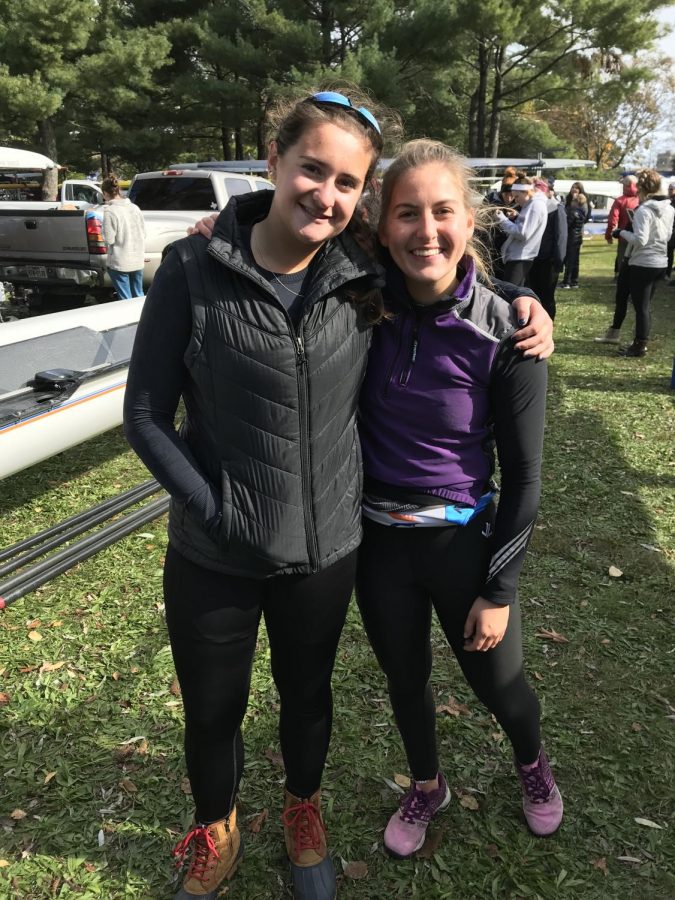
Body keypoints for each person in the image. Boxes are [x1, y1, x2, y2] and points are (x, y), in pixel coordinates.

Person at [125, 89, 554, 900]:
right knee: (213, 712)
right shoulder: (194, 266)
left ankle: (302, 815)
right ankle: (213, 833)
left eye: (345, 181)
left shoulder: (362, 277)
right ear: (272, 164)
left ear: (360, 199)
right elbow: (145, 416)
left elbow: (447, 276)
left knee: (306, 698)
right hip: (214, 552)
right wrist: (216, 515)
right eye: (309, 170)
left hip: (326, 548)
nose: (325, 193)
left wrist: (526, 307)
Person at [354, 139, 562, 859]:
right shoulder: (361, 301)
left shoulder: (509, 330)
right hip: (378, 547)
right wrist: (219, 225)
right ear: (382, 228)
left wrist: (498, 588)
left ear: (468, 220)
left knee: (501, 689)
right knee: (404, 681)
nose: (425, 230)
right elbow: (292, 224)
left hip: (463, 549)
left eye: (442, 211)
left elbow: (526, 477)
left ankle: (532, 767)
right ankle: (426, 782)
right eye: (405, 213)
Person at [613, 169, 674, 357]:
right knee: (645, 305)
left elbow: (641, 239)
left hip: (643, 262)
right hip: (661, 261)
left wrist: (621, 232)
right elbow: (668, 235)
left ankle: (640, 345)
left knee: (641, 307)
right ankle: (640, 342)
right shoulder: (670, 208)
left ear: (641, 189)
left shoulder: (644, 210)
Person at [494, 175, 548, 286]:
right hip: (519, 256)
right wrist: (517, 217)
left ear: (526, 192)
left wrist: (502, 219)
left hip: (520, 257)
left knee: (509, 294)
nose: (516, 200)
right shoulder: (532, 204)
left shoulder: (534, 205)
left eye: (517, 196)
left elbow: (523, 233)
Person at [527, 178, 567, 319]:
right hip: (533, 257)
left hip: (549, 259)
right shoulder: (532, 206)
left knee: (547, 296)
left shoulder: (556, 208)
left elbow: (561, 236)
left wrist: (559, 260)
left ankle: (548, 324)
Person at [101, 174, 146, 299]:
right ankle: (143, 317)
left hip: (120, 262)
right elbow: (143, 233)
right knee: (139, 295)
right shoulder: (135, 208)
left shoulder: (110, 211)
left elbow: (109, 239)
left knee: (125, 299)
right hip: (137, 260)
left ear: (105, 193)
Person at [604, 176, 639, 278]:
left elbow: (613, 220)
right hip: (640, 235)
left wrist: (609, 235)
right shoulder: (642, 200)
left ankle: (622, 279)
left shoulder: (620, 201)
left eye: (624, 185)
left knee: (623, 260)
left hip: (624, 236)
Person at [561, 193, 586, 289]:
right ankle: (574, 281)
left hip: (571, 238)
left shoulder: (572, 212)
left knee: (569, 261)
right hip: (578, 237)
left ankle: (567, 281)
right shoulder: (582, 212)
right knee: (575, 261)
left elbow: (567, 225)